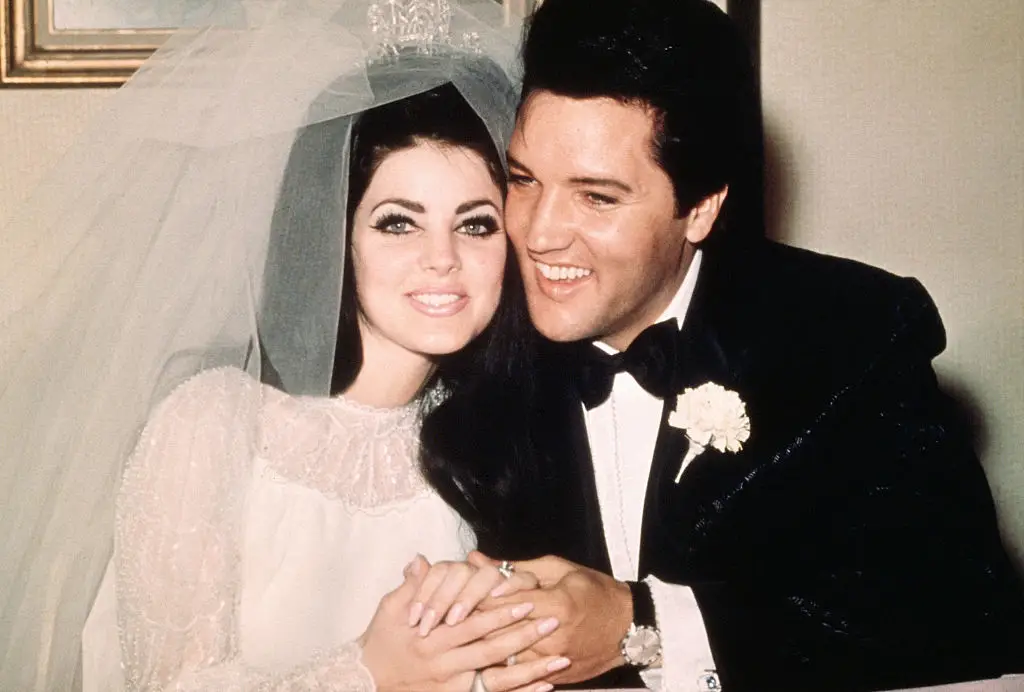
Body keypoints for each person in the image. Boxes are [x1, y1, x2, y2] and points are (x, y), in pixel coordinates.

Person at [420, 0, 1024, 690]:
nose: (537, 233)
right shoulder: (470, 336)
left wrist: (641, 625)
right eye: (524, 180)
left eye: (596, 198)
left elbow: (966, 615)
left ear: (701, 207)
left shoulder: (849, 334)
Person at [0, 1, 564, 690]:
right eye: (397, 223)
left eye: (475, 226)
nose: (441, 259)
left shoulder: (505, 438)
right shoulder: (216, 425)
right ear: (332, 234)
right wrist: (368, 673)